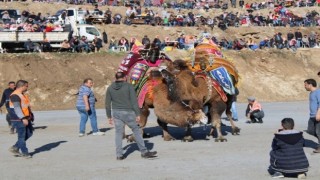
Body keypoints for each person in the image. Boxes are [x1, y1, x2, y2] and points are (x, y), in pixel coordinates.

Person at [105, 72, 157, 160]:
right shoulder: (129, 86)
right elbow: (134, 101)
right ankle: (144, 152)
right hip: (128, 112)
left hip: (116, 112)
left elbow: (107, 103)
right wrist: (137, 114)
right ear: (124, 78)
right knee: (136, 131)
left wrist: (109, 116)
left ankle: (119, 155)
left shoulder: (110, 88)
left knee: (118, 133)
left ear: (115, 78)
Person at [8, 80, 34, 158]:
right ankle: (25, 152)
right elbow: (17, 108)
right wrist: (23, 118)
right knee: (21, 136)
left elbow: (25, 106)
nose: (27, 87)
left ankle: (15, 147)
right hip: (18, 119)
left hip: (26, 117)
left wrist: (30, 115)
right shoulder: (15, 95)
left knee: (29, 133)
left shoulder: (22, 94)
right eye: (26, 86)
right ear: (22, 86)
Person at [304, 79, 320, 153]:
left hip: (318, 115)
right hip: (312, 116)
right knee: (310, 130)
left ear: (310, 85)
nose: (305, 86)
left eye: (305, 85)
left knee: (318, 132)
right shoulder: (311, 93)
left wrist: (318, 114)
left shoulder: (318, 92)